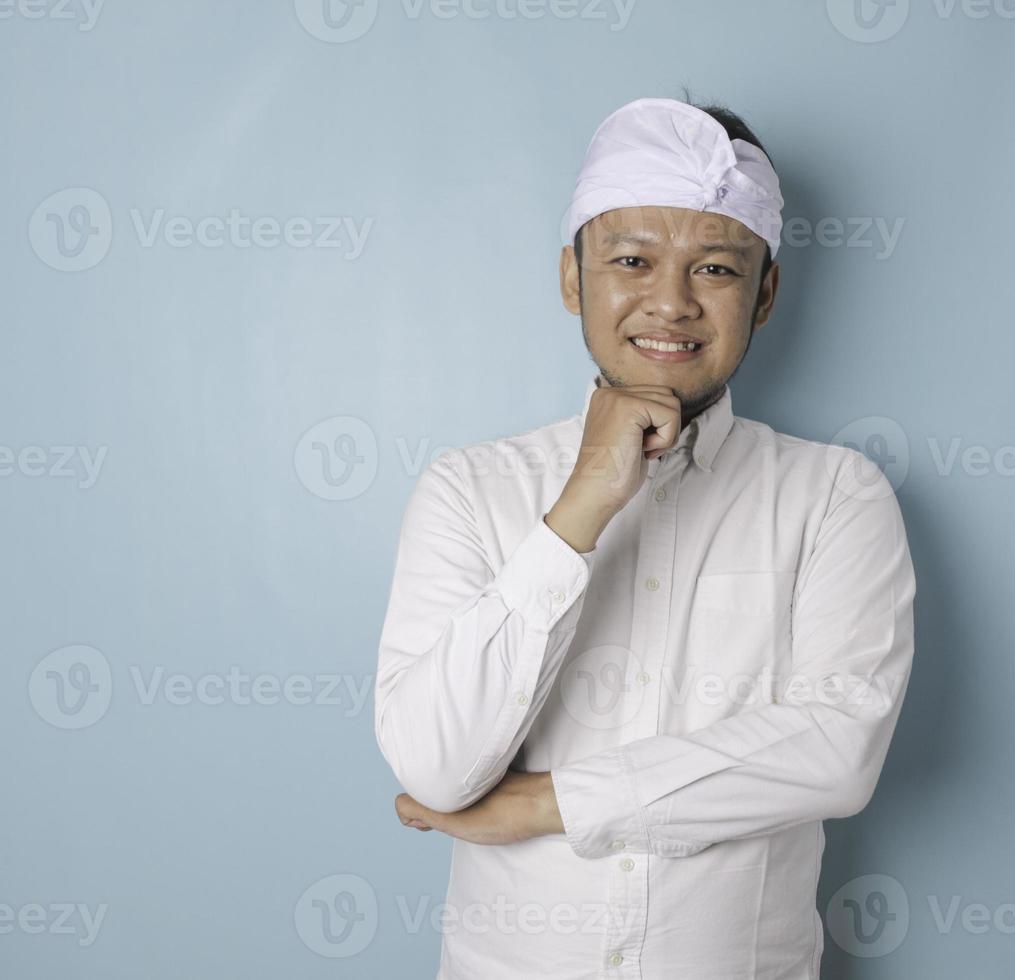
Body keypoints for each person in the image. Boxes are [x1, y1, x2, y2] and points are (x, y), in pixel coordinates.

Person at [373, 94, 917, 979]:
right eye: (631, 259)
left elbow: (836, 750)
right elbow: (437, 768)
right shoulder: (468, 491)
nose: (671, 304)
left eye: (716, 270)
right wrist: (578, 512)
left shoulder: (835, 498)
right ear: (572, 278)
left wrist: (554, 804)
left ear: (766, 294)